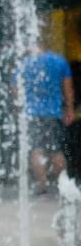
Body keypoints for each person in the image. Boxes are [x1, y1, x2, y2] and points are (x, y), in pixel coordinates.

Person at [22, 47, 75, 193]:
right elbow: (68, 88)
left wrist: (20, 106)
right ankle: (62, 184)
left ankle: (42, 185)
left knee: (36, 150)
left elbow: (15, 88)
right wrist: (69, 109)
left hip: (32, 113)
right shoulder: (59, 61)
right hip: (54, 113)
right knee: (56, 150)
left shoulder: (26, 63)